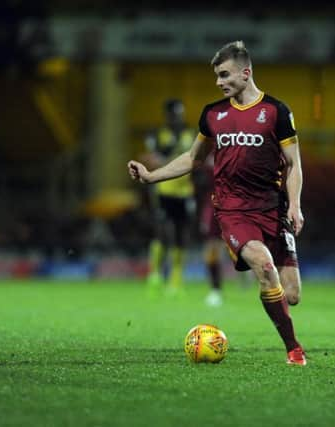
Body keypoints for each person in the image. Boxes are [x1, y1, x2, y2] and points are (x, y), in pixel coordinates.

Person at [128, 40, 306, 365]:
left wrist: (294, 205)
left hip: (273, 210)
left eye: (224, 75)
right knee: (265, 268)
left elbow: (293, 163)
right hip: (232, 211)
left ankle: (286, 318)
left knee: (291, 295)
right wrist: (152, 176)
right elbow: (193, 158)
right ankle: (294, 349)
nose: (219, 82)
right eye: (217, 76)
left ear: (246, 72)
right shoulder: (213, 114)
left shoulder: (276, 112)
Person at [141, 99, 196, 296]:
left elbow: (197, 159)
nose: (178, 118)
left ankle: (176, 279)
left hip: (185, 191)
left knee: (181, 234)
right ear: (168, 115)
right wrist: (166, 154)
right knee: (162, 232)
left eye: (180, 114)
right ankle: (154, 274)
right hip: (163, 190)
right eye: (174, 114)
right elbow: (149, 159)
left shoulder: (191, 134)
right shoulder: (158, 134)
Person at [192, 156, 225, 307]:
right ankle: (215, 289)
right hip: (212, 207)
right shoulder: (209, 158)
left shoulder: (238, 150)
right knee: (212, 248)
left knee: (245, 248)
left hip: (236, 205)